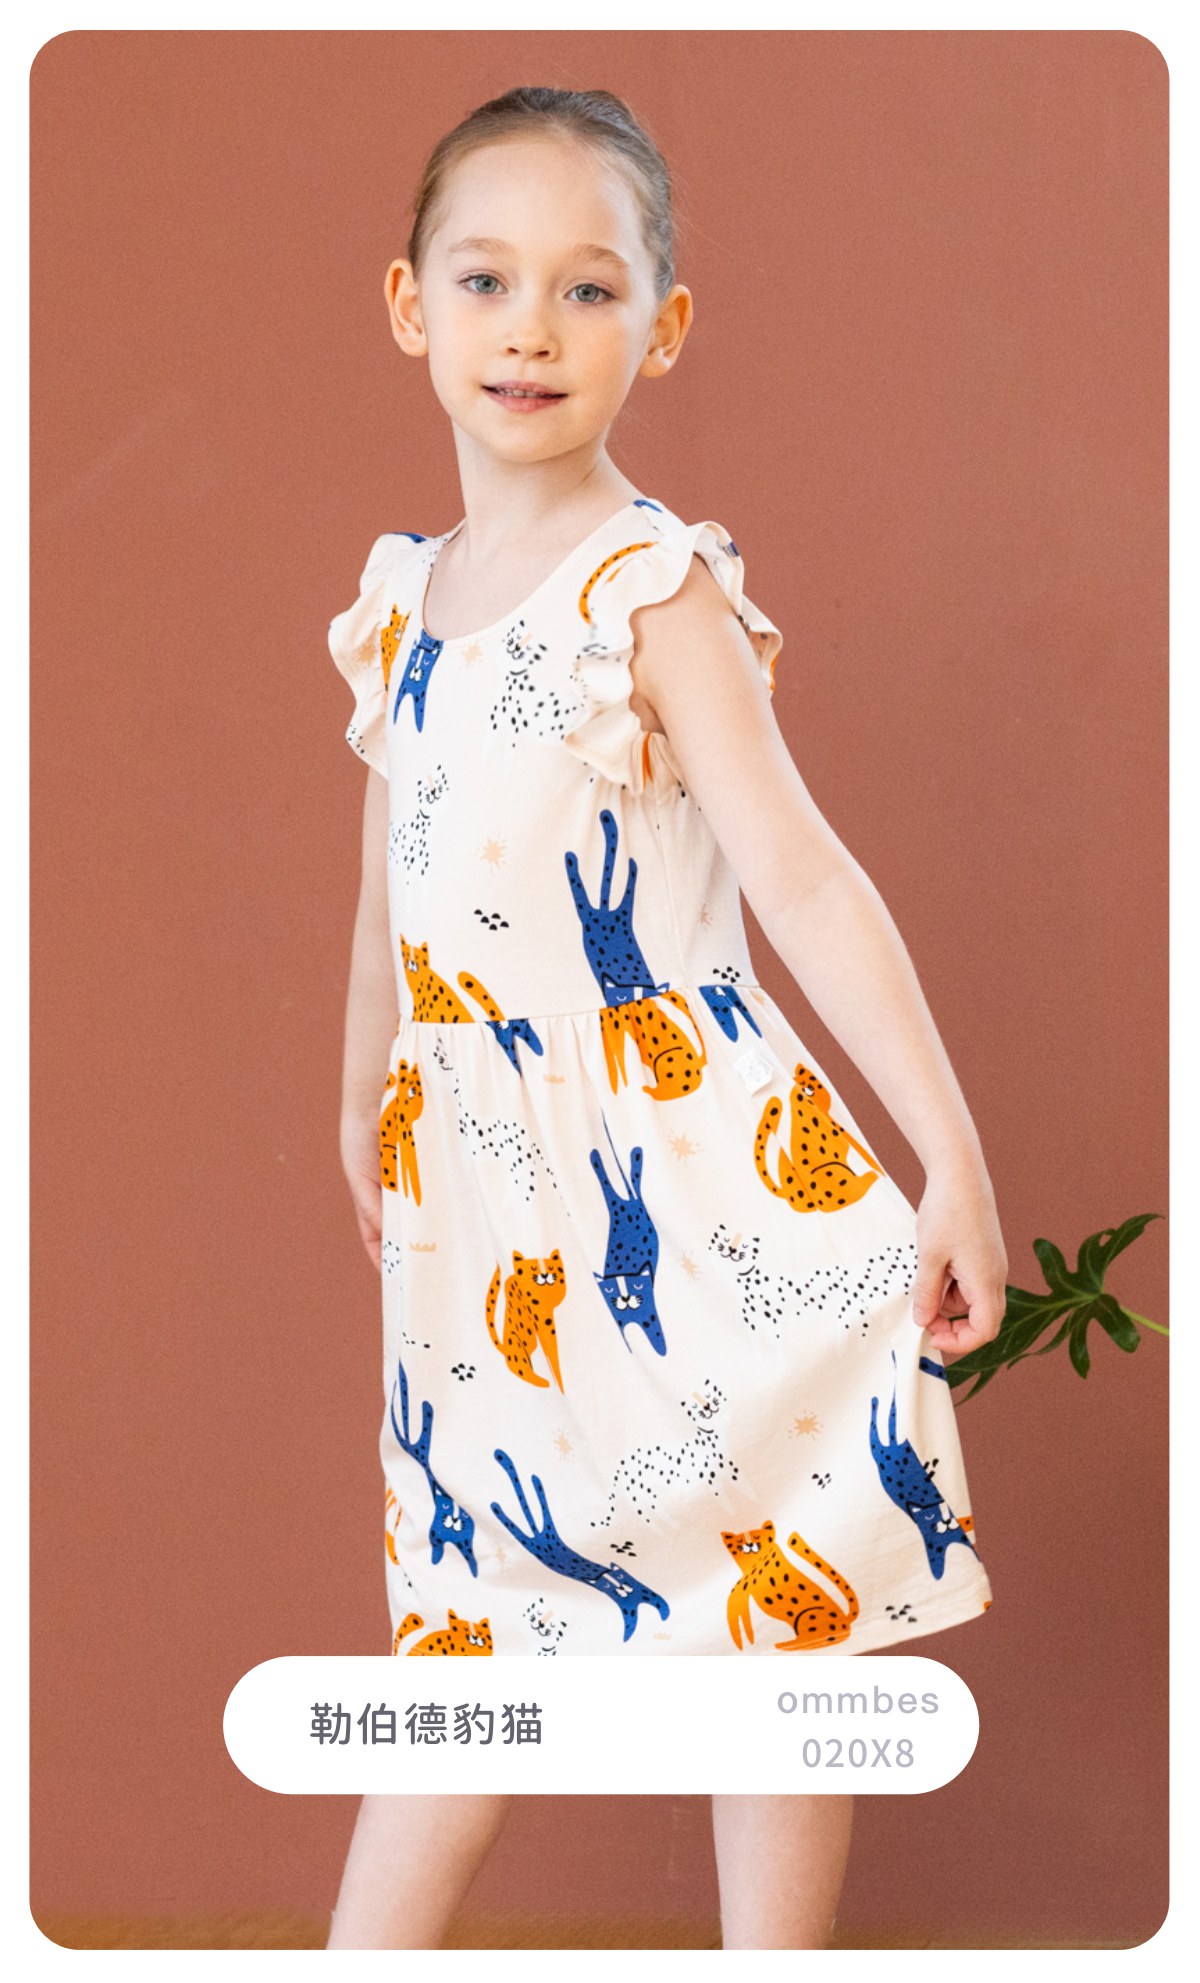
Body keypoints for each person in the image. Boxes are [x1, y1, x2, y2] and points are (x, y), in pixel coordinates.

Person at [324, 84, 1006, 1954]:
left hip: (689, 1178)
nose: (532, 328)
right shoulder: (402, 609)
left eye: (589, 287)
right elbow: (391, 901)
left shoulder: (653, 590)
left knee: (774, 1620)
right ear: (411, 307)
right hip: (481, 1197)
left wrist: (949, 1156)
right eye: (487, 280)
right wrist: (366, 1104)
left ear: (663, 325)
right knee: (466, 1615)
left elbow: (803, 879)